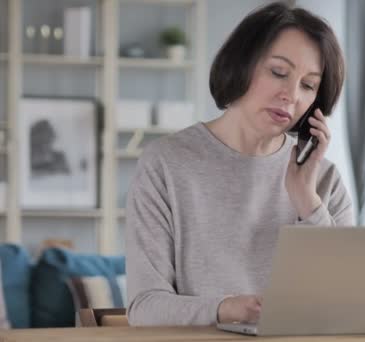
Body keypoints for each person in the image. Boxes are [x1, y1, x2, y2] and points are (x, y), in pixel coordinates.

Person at [126, 2, 353, 327]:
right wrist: (227, 308)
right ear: (242, 64)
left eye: (308, 85)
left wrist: (309, 204)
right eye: (278, 72)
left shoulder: (325, 179)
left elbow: (348, 306)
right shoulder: (166, 164)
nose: (291, 95)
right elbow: (145, 307)